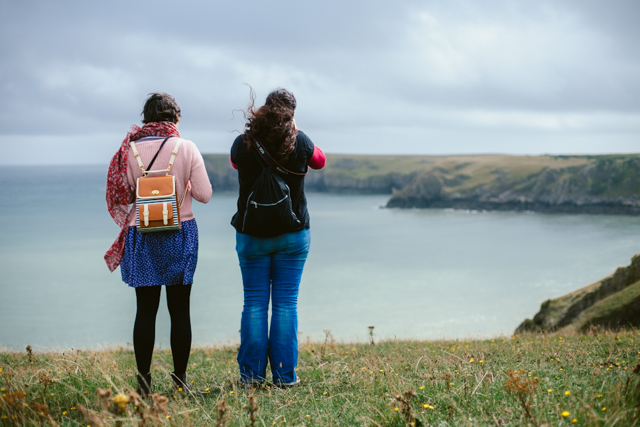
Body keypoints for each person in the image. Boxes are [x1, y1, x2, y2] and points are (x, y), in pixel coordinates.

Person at [104, 93, 212, 395]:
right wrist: (183, 185)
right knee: (180, 311)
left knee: (145, 311)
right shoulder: (186, 148)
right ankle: (180, 381)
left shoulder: (128, 150)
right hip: (180, 233)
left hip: (142, 234)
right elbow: (204, 194)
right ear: (175, 118)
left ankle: (143, 384)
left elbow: (123, 194)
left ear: (147, 119)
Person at [230, 88, 326, 386]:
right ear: (291, 115)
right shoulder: (300, 140)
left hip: (252, 235)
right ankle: (284, 377)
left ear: (264, 110)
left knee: (255, 303)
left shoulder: (244, 143)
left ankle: (251, 377)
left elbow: (235, 163)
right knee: (285, 304)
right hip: (293, 234)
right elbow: (320, 161)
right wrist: (296, 132)